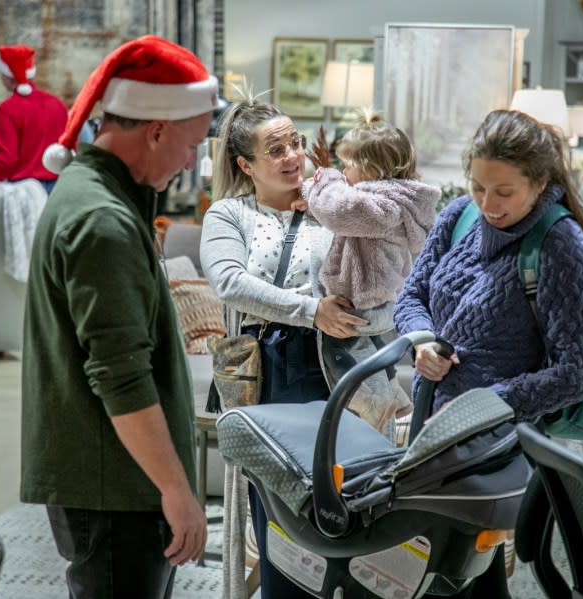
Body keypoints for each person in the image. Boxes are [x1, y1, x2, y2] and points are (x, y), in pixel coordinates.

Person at [21, 35, 218, 598]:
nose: (189, 165)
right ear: (156, 130)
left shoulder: (93, 195)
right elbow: (119, 376)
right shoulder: (102, 220)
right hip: (118, 488)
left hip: (114, 478)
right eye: (190, 146)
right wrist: (178, 490)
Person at [394, 109, 583, 598]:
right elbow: (412, 295)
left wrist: (490, 402)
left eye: (504, 192)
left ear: (539, 183)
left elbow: (580, 372)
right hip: (434, 431)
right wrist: (422, 339)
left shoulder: (559, 244)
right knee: (455, 574)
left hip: (499, 445)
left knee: (446, 572)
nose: (488, 203)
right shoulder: (458, 216)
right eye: (478, 187)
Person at [200, 94, 379, 599]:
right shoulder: (228, 214)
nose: (292, 156)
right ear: (245, 164)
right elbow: (230, 282)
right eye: (275, 149)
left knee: (346, 497)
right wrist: (310, 309)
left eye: (295, 143)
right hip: (268, 371)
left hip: (334, 364)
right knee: (279, 511)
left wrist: (335, 197)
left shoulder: (335, 207)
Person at [297, 109, 440, 429]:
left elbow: (336, 209)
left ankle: (374, 405)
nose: (342, 172)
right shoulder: (395, 199)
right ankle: (396, 397)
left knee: (338, 352)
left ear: (372, 170)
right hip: (379, 299)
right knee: (374, 352)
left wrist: (318, 182)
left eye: (347, 166)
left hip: (361, 298)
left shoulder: (379, 206)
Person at [0, 44, 67, 194]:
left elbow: (7, 160)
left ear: (6, 75)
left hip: (24, 191)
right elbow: (70, 148)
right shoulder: (57, 104)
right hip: (58, 188)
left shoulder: (7, 109)